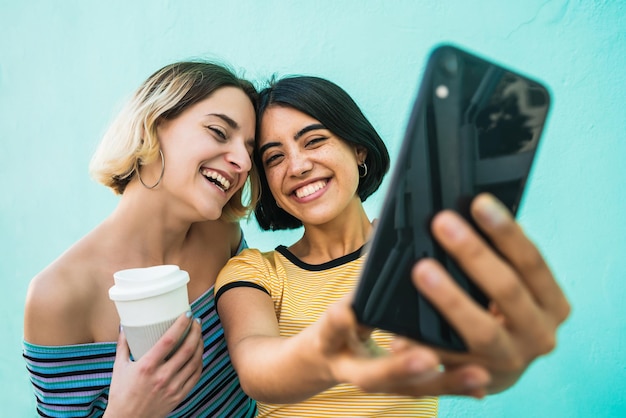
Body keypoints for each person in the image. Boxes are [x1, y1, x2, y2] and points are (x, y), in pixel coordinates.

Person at [214, 76, 571, 417]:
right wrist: (329, 352)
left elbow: (482, 359)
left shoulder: (422, 252)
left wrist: (498, 367)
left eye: (314, 140)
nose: (298, 166)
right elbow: (255, 368)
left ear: (359, 150)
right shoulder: (254, 271)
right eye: (274, 157)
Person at [23, 61, 260, 417]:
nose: (242, 161)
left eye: (250, 149)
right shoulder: (57, 296)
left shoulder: (222, 235)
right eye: (218, 131)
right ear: (154, 125)